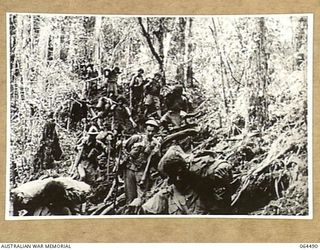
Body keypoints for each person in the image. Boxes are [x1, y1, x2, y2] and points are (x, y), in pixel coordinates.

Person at [141, 145, 233, 215]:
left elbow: (224, 210)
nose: (178, 178)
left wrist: (226, 182)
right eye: (174, 176)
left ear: (187, 172)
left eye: (181, 174)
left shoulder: (202, 192)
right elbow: (144, 213)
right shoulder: (166, 195)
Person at [122, 119, 161, 204]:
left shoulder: (156, 143)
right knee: (130, 195)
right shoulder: (137, 138)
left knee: (142, 196)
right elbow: (124, 147)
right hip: (130, 169)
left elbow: (156, 159)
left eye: (153, 132)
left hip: (143, 171)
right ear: (145, 130)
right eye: (149, 131)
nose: (150, 133)